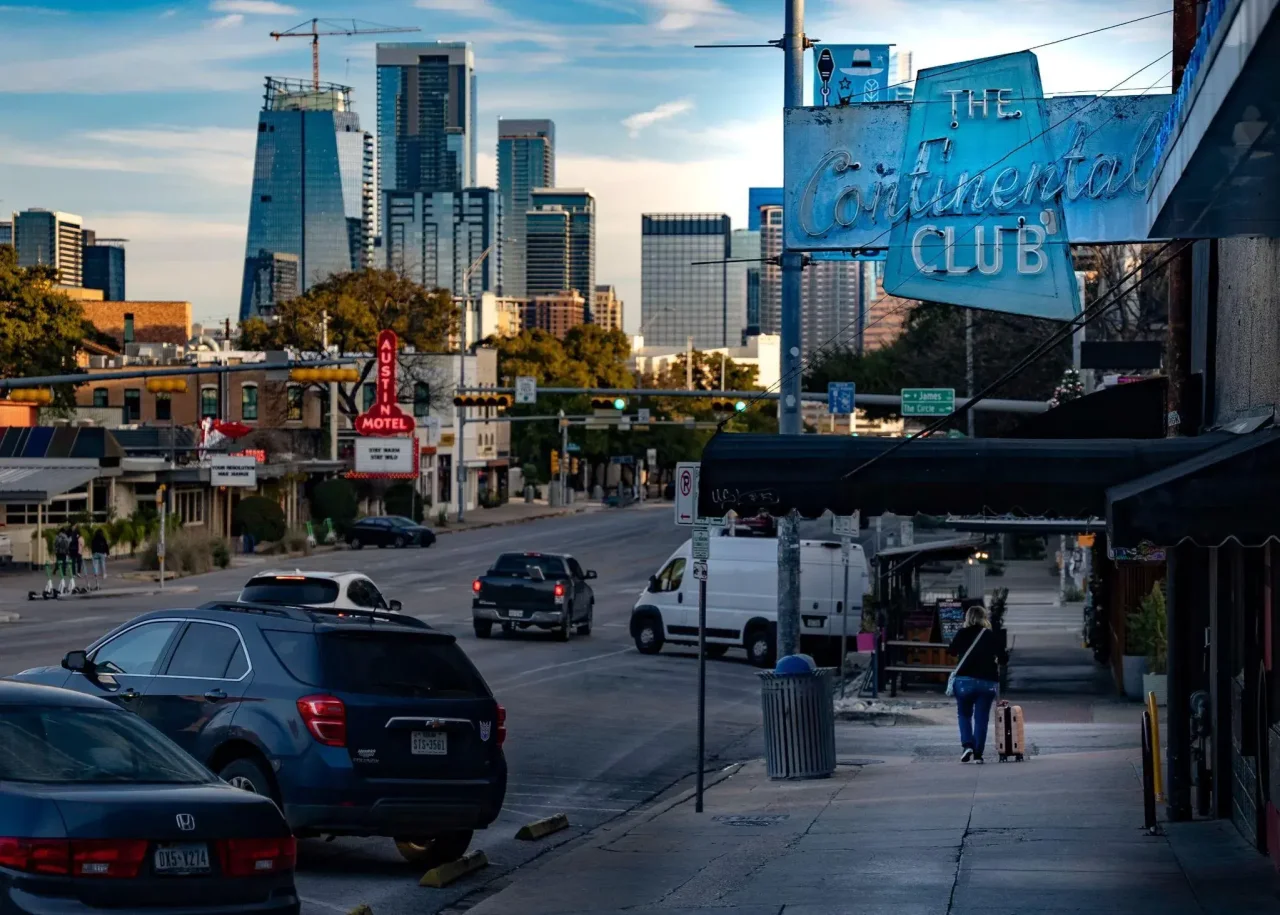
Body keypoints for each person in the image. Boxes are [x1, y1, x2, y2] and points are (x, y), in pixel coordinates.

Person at [947, 605, 1007, 763]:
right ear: (983, 617)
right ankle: (978, 755)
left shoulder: (962, 633)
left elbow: (951, 651)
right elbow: (1004, 658)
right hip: (987, 682)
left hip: (964, 682)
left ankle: (967, 745)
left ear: (968, 618)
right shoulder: (990, 635)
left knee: (964, 715)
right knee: (981, 719)